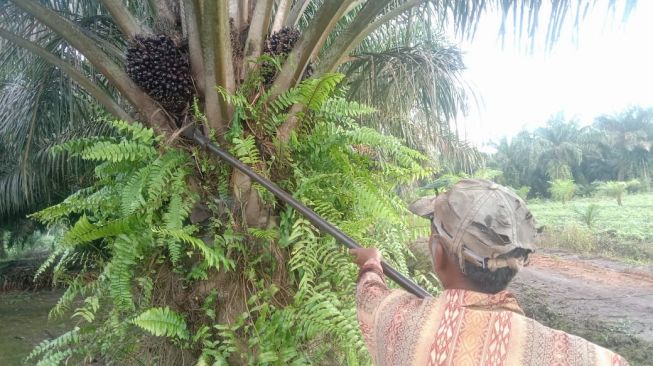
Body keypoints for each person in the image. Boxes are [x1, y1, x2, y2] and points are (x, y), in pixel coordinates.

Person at [350, 179, 628, 366]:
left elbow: (371, 295)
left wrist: (372, 262)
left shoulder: (397, 321)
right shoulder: (586, 356)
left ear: (437, 253)